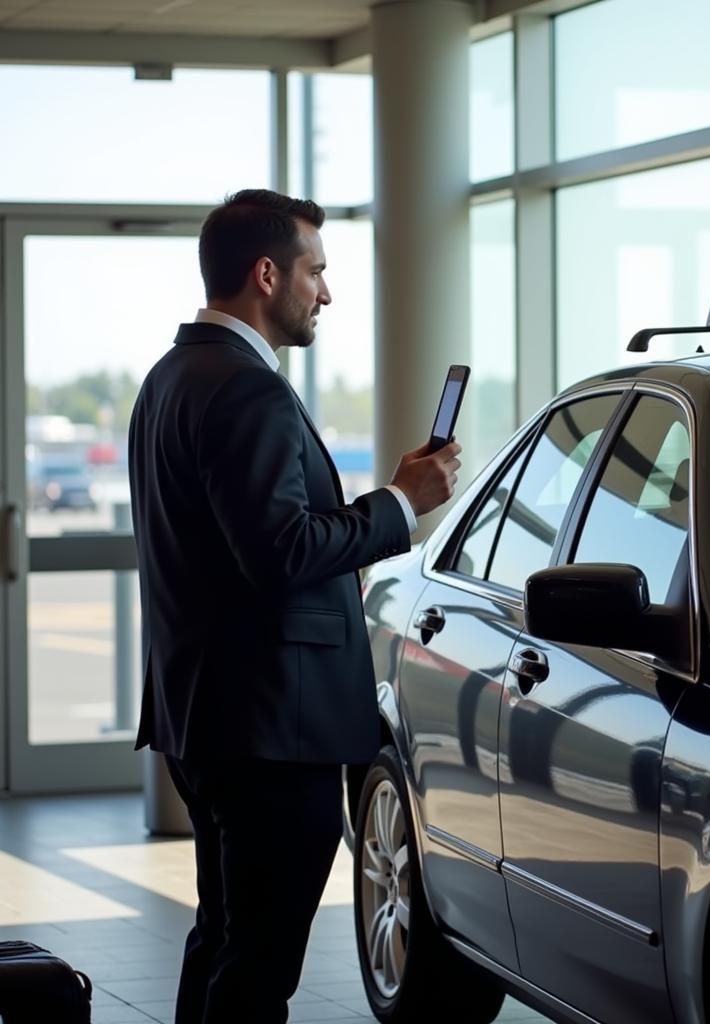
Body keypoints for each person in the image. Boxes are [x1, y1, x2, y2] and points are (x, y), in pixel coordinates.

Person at [127, 189, 462, 1024]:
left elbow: (246, 549)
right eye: (315, 270)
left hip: (204, 719)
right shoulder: (247, 391)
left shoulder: (170, 378)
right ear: (266, 273)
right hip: (271, 732)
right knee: (258, 965)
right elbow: (280, 552)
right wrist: (399, 501)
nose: (326, 291)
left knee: (225, 939)